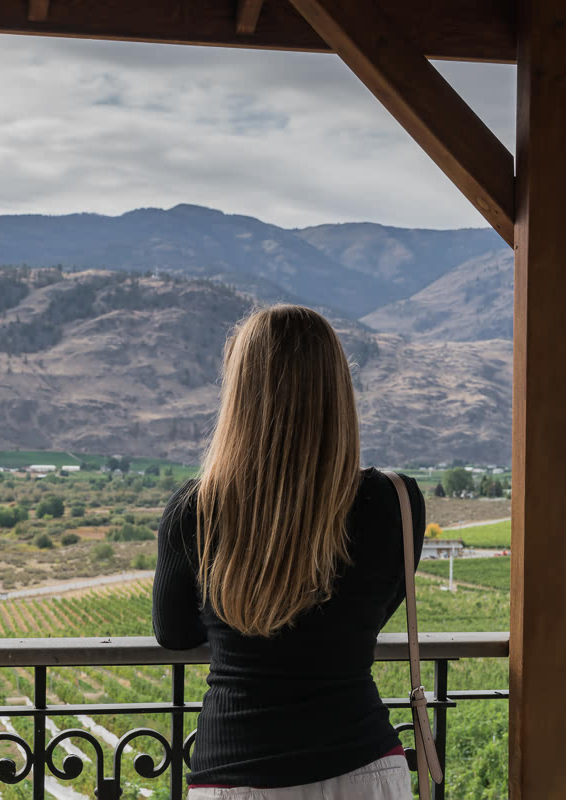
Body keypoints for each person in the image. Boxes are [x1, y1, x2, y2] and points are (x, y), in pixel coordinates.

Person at [153, 304, 425, 800]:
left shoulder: (197, 508)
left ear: (239, 390)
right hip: (365, 767)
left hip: (237, 773)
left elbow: (174, 633)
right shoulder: (395, 501)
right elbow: (375, 607)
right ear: (338, 388)